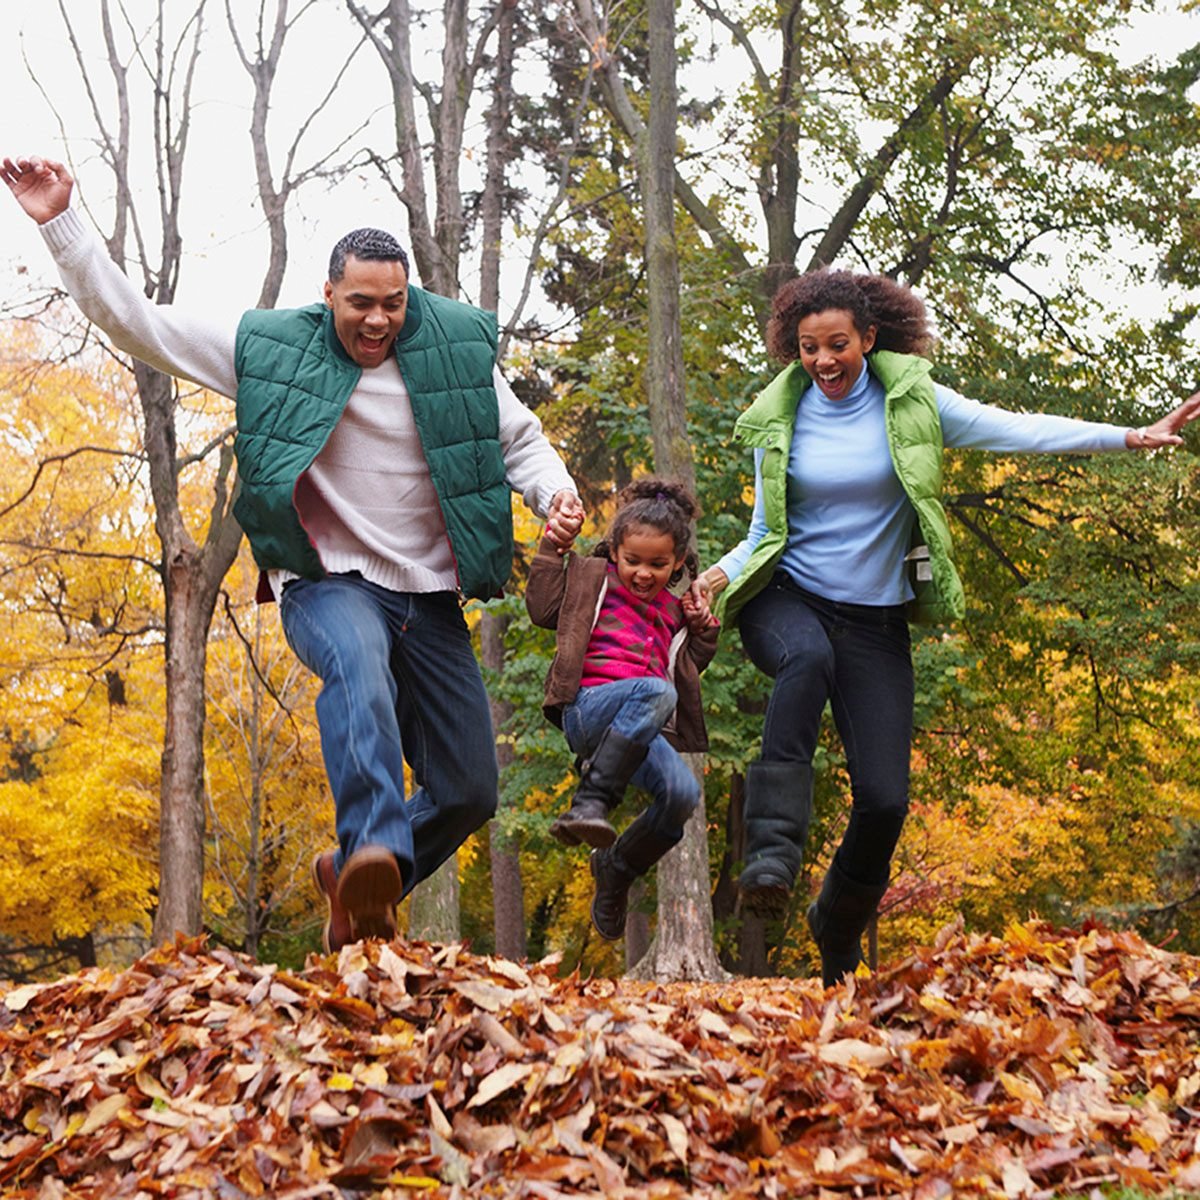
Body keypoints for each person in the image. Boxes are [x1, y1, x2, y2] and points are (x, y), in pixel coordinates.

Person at [2, 154, 585, 953]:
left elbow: (518, 440)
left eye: (392, 305)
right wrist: (62, 223)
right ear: (328, 295)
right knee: (357, 664)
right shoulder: (270, 350)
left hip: (429, 596)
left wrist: (553, 497)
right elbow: (135, 319)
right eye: (359, 305)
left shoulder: (454, 350)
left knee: (469, 790)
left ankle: (354, 874)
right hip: (326, 581)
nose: (377, 322)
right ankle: (374, 845)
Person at [696, 267, 1200, 988]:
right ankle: (772, 855)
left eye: (838, 344)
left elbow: (1018, 431)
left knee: (886, 801)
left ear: (868, 338)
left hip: (873, 621)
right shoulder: (777, 417)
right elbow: (763, 531)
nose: (824, 362)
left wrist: (1129, 436)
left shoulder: (917, 403)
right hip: (791, 597)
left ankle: (835, 920)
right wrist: (714, 578)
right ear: (794, 350)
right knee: (803, 660)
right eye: (809, 349)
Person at [526, 479, 720, 940]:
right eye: (633, 560)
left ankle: (615, 869)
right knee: (656, 692)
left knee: (681, 796)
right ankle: (591, 800)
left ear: (678, 563)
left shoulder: (674, 611)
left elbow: (689, 667)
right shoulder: (593, 578)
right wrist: (554, 546)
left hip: (635, 730)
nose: (644, 573)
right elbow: (540, 606)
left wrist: (701, 629)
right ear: (615, 551)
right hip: (587, 710)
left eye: (658, 564)